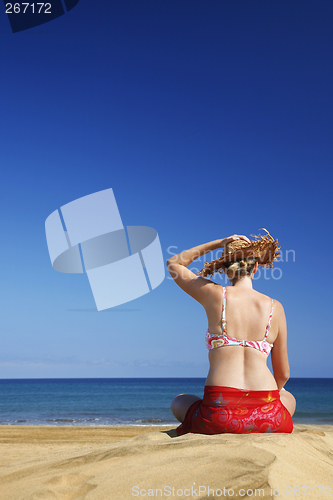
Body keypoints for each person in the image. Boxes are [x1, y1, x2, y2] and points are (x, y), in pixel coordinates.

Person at [166, 230, 296, 435]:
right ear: (255, 270)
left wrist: (220, 242)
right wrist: (273, 394)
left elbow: (174, 264)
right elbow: (283, 374)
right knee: (288, 397)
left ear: (226, 270)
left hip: (219, 417)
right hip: (269, 417)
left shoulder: (215, 295)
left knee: (180, 401)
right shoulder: (275, 307)